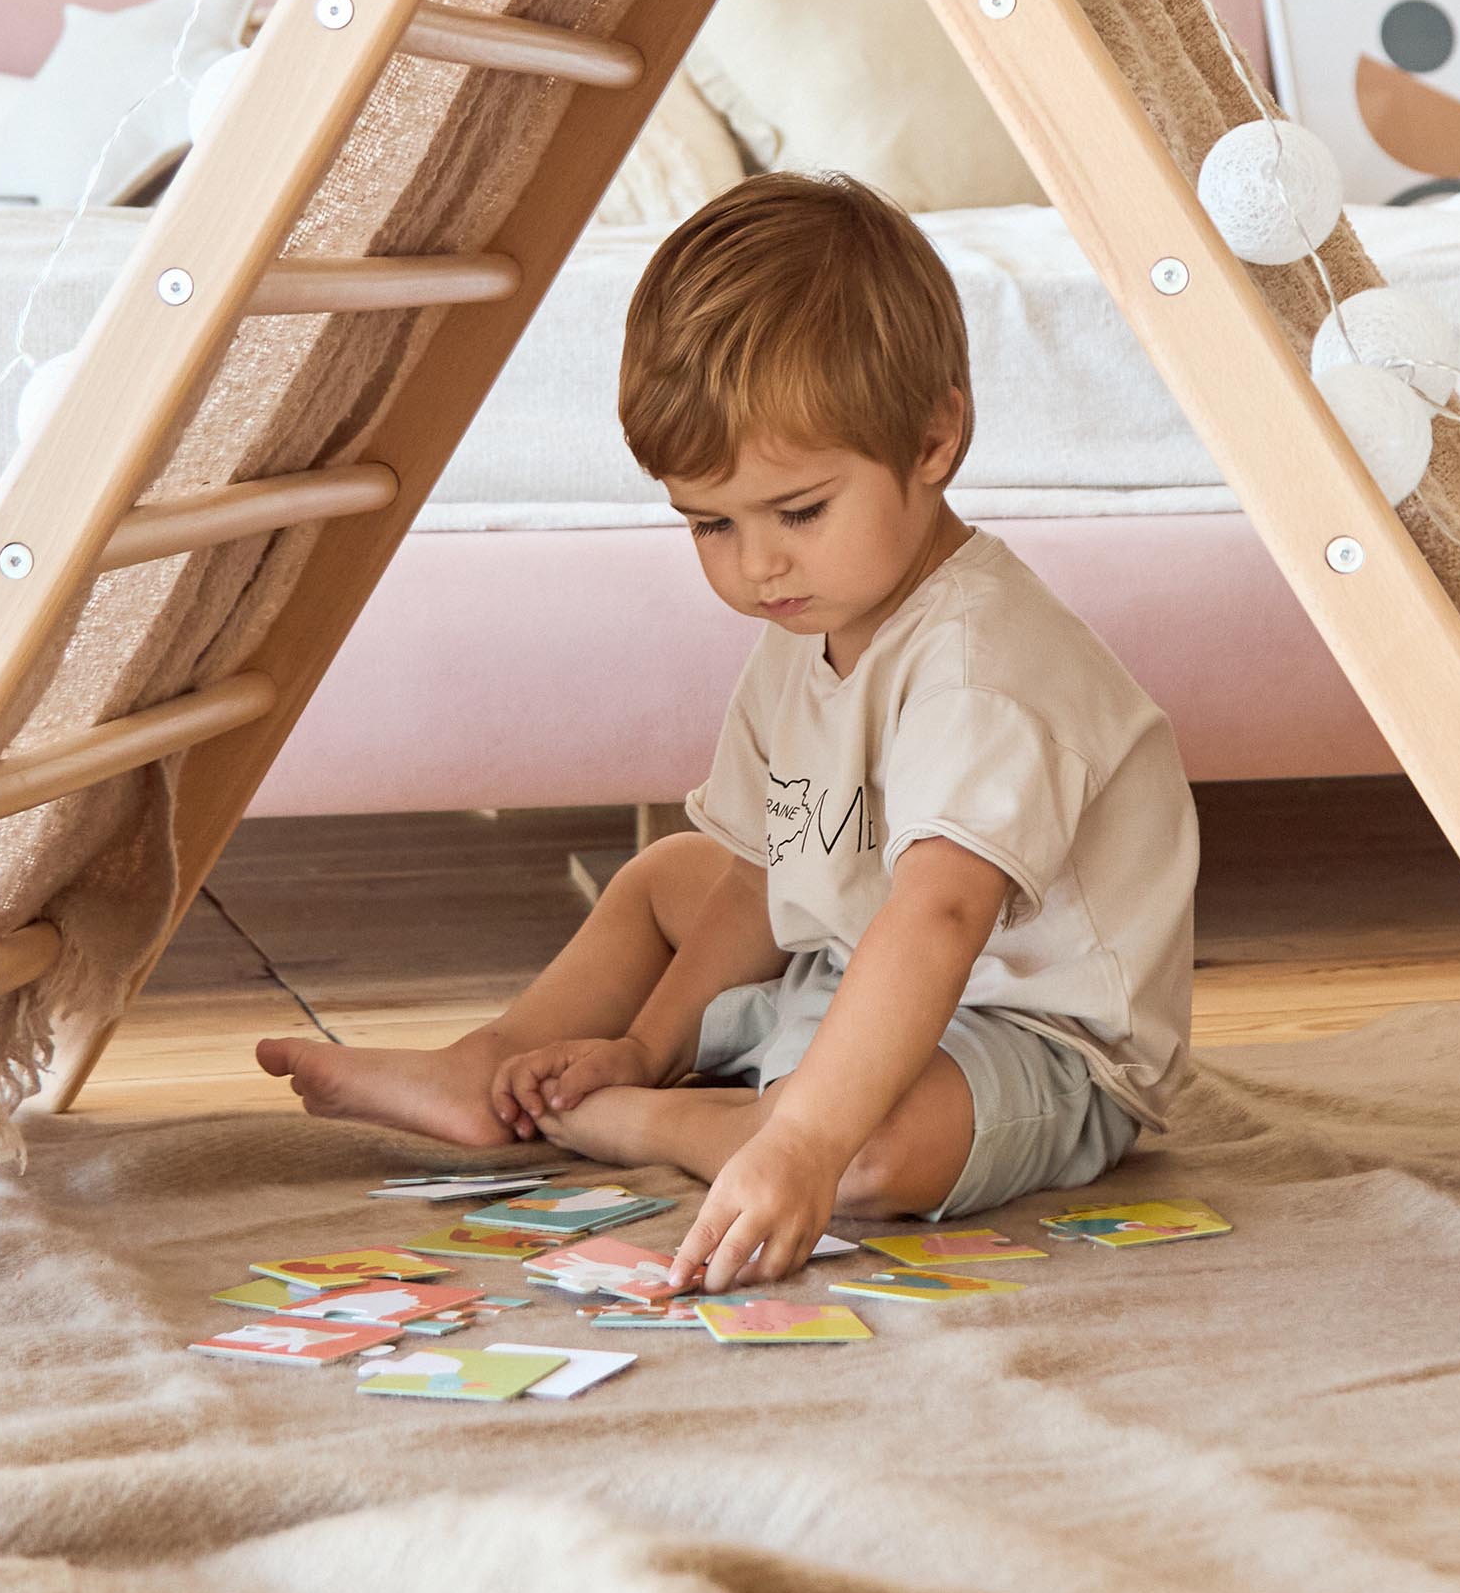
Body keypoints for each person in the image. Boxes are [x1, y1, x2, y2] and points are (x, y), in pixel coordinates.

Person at [258, 171, 1197, 1292]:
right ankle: (495, 1066)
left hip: (1028, 1034)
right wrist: (645, 1038)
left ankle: (634, 1122)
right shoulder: (804, 629)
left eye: (799, 512)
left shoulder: (984, 666)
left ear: (938, 436)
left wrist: (797, 1143)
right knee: (670, 875)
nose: (758, 564)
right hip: (849, 964)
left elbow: (942, 919)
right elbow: (768, 872)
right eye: (709, 523)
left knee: (869, 1154)